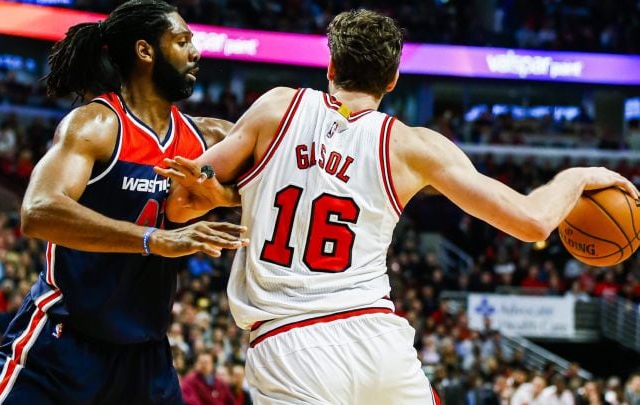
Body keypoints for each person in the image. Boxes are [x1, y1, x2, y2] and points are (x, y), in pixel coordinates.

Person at [158, 9, 639, 404]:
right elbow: (532, 221)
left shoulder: (275, 108)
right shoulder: (414, 146)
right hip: (377, 339)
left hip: (289, 343)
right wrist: (577, 176)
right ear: (392, 80)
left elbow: (178, 206)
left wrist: (235, 195)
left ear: (330, 68)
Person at [0, 1, 246, 404]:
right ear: (145, 51)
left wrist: (222, 196)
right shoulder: (96, 125)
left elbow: (274, 187)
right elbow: (38, 211)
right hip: (63, 343)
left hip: (144, 355)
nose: (196, 52)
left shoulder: (208, 138)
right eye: (182, 40)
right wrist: (154, 239)